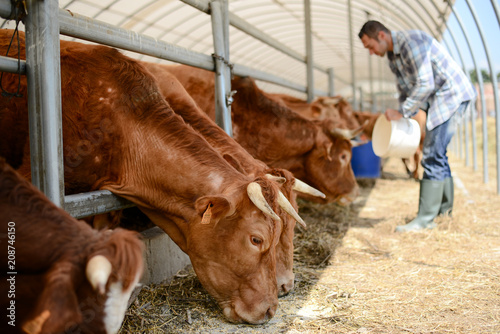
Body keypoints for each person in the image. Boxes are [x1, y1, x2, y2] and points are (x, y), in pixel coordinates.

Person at [358, 20, 476, 232]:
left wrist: (403, 112)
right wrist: (402, 112)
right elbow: (404, 91)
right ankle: (444, 212)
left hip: (452, 96)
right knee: (438, 154)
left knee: (431, 154)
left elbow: (425, 83)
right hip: (438, 99)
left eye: (370, 46)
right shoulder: (393, 58)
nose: (371, 52)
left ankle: (425, 219)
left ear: (382, 36)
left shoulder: (413, 42)